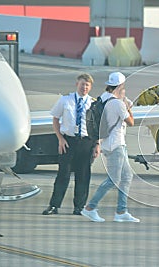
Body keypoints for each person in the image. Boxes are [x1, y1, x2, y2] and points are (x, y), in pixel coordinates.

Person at [81, 72, 139, 223]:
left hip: (108, 143)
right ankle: (90, 208)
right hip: (116, 145)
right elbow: (131, 122)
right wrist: (127, 106)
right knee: (113, 180)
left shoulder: (103, 98)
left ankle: (121, 211)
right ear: (120, 86)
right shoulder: (118, 103)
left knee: (127, 176)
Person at [42, 73, 100, 215]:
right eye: (82, 84)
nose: (84, 87)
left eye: (87, 85)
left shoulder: (94, 103)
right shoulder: (65, 100)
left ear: (90, 87)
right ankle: (54, 205)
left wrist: (97, 144)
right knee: (63, 174)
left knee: (83, 175)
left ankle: (79, 207)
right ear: (77, 84)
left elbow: (98, 126)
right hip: (68, 141)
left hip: (86, 142)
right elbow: (55, 119)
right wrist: (60, 138)